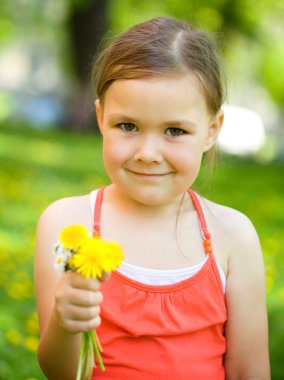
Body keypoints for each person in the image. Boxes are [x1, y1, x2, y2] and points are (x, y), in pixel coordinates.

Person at [34, 17, 270, 380]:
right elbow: (60, 373)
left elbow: (249, 370)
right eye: (127, 126)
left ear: (211, 131)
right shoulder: (68, 224)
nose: (148, 153)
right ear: (100, 118)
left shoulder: (233, 236)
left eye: (175, 131)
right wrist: (66, 324)